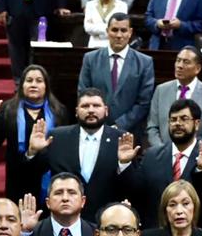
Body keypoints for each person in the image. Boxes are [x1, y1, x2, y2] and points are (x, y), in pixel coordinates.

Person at [30, 89, 135, 220]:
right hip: (64, 218)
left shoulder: (121, 139)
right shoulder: (57, 137)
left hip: (106, 219)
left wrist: (124, 163)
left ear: (106, 110)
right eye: (85, 106)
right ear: (76, 111)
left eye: (96, 106)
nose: (91, 110)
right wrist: (33, 152)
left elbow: (133, 186)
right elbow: (34, 175)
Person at [0, 63, 68, 200]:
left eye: (39, 81)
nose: (33, 84)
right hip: (18, 176)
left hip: (48, 174)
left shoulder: (59, 111)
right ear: (22, 85)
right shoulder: (9, 109)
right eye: (29, 80)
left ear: (46, 86)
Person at [136, 99, 202, 228]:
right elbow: (136, 192)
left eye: (184, 119)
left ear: (197, 124)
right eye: (173, 120)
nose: (178, 123)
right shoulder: (151, 156)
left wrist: (201, 170)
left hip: (194, 234)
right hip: (155, 232)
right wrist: (124, 163)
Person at [78, 14, 153, 136]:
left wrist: (120, 125)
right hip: (95, 129)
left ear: (130, 32)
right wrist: (98, 121)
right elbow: (83, 93)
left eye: (123, 30)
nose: (119, 35)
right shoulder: (90, 59)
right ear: (107, 31)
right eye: (114, 30)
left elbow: (144, 102)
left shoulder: (144, 62)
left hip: (129, 132)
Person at [145, 46, 202, 149]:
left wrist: (191, 153)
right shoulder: (161, 90)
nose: (180, 66)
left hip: (195, 155)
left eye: (186, 62)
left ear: (198, 68)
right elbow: (152, 127)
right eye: (178, 61)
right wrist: (161, 150)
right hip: (162, 153)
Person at [22, 171, 101, 236]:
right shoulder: (34, 233)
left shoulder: (98, 234)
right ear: (48, 203)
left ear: (83, 201)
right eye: (58, 193)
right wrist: (25, 232)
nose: (65, 198)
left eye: (72, 192)